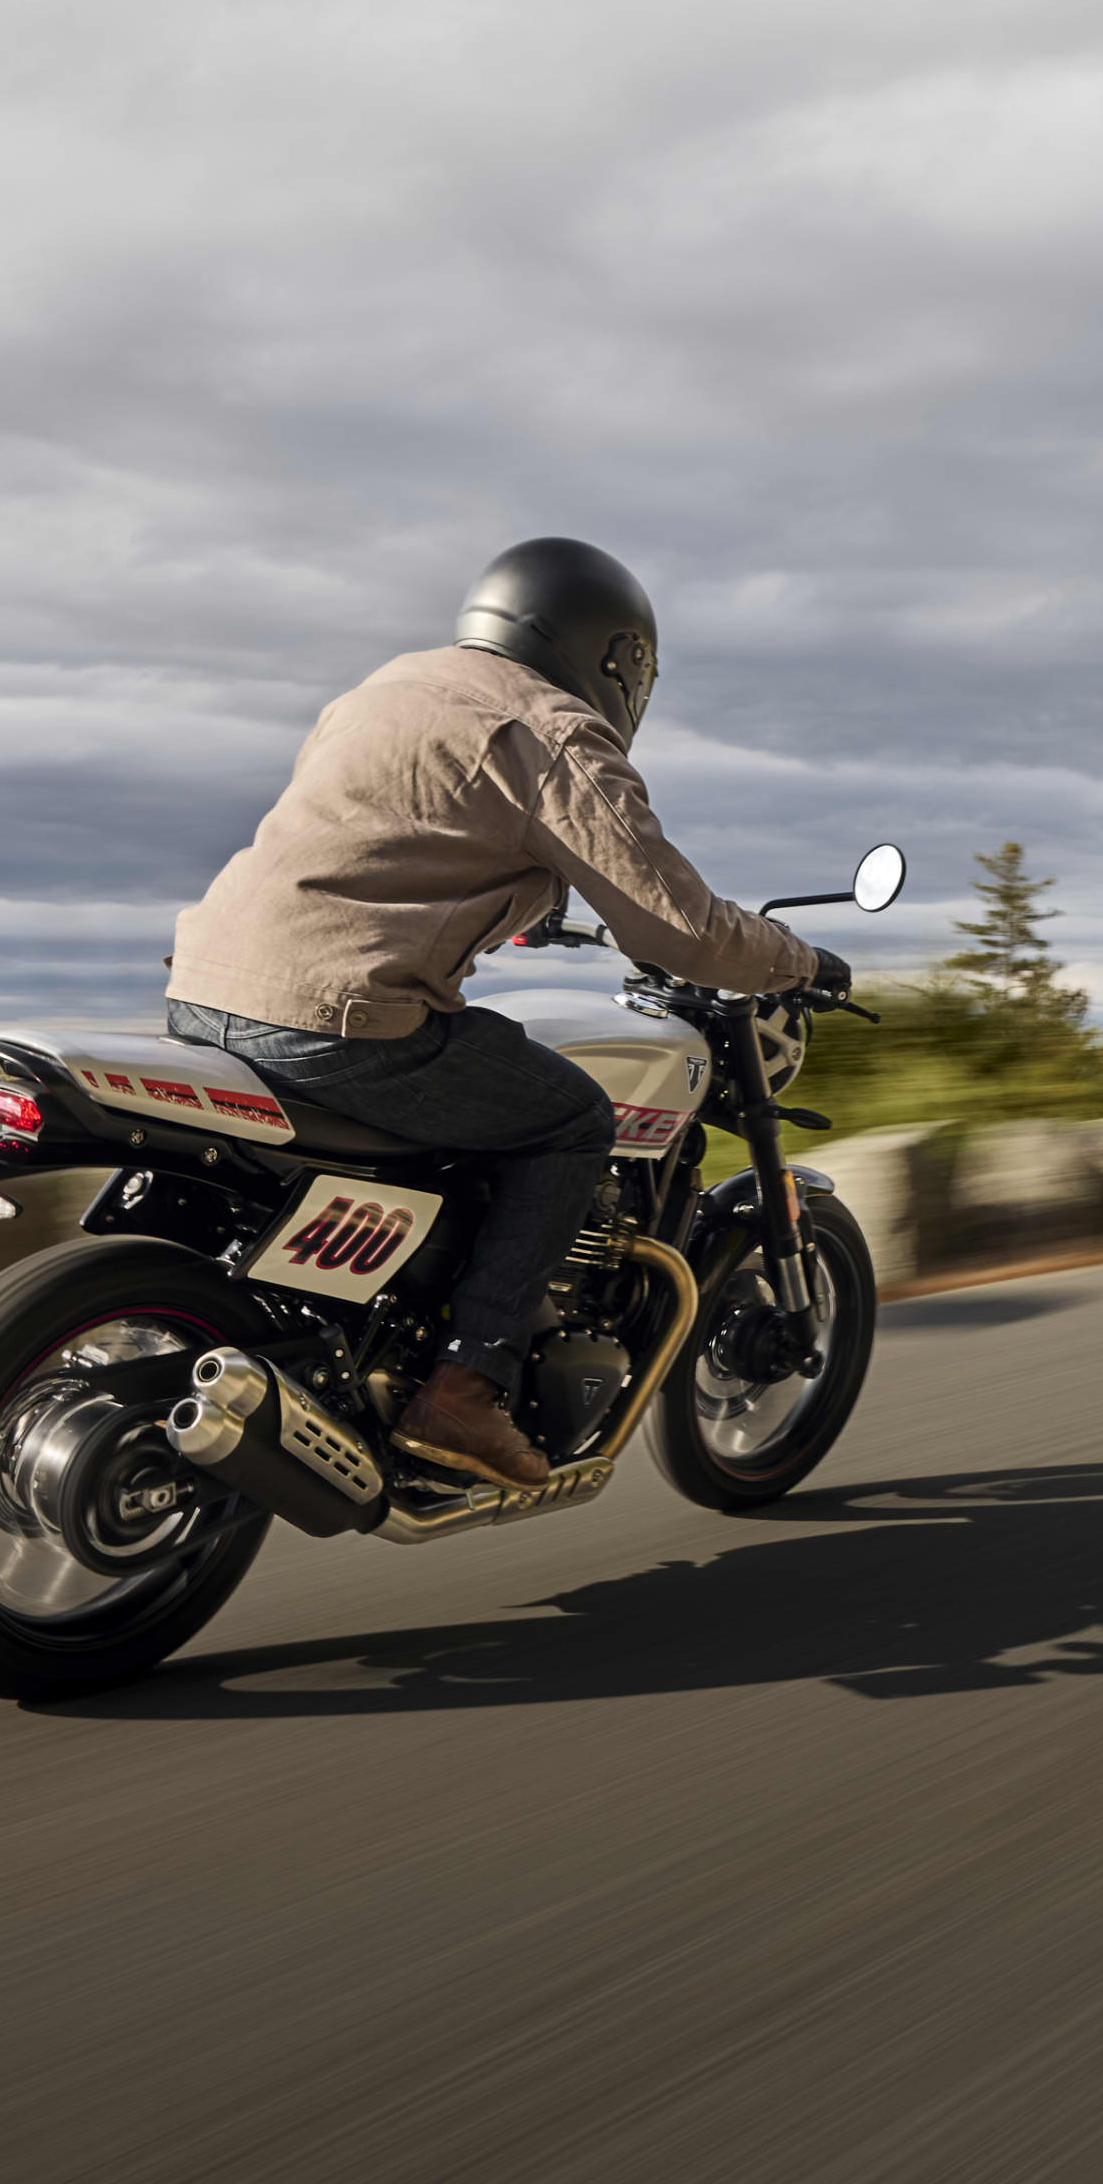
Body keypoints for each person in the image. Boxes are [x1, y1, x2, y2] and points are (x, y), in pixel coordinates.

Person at [163, 538, 848, 1491]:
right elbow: (683, 930)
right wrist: (798, 959)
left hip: (205, 989)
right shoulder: (550, 726)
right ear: (616, 658)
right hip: (337, 1017)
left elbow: (394, 836)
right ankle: (465, 1387)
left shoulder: (390, 687)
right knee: (569, 1118)